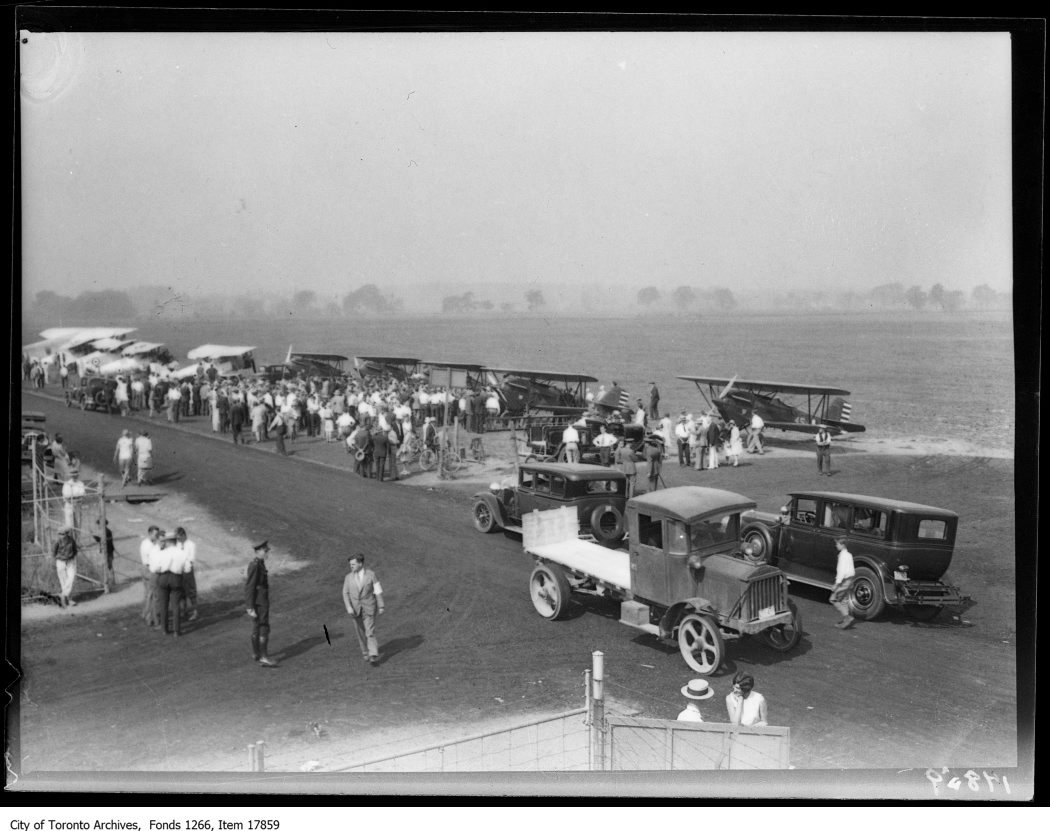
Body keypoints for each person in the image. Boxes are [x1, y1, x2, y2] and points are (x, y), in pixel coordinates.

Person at [342, 553, 386, 666]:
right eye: (350, 564)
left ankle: (373, 654)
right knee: (360, 632)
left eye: (353, 564)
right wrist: (348, 607)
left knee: (369, 631)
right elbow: (345, 593)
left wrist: (381, 605)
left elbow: (377, 590)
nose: (351, 566)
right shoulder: (348, 577)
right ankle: (365, 652)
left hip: (369, 607)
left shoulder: (371, 575)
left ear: (360, 564)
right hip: (355, 610)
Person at [245, 540, 278, 666]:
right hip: (260, 601)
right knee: (263, 626)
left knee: (256, 626)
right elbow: (250, 586)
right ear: (258, 551)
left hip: (258, 600)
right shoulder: (255, 565)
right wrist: (249, 606)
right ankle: (263, 657)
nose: (267, 552)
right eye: (265, 551)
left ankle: (256, 653)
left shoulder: (259, 563)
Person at [155, 530, 187, 637]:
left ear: (168, 541)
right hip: (176, 577)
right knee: (176, 604)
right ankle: (177, 631)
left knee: (163, 604)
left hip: (163, 577)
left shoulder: (161, 553)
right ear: (175, 541)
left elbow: (156, 568)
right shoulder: (182, 552)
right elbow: (187, 568)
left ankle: (164, 629)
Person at [830, 538, 856, 629]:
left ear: (842, 545)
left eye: (837, 544)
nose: (836, 545)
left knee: (833, 599)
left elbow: (841, 572)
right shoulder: (849, 555)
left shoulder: (842, 556)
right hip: (851, 579)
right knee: (844, 600)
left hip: (844, 581)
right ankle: (845, 622)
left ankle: (847, 617)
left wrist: (836, 584)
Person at [52, 526, 79, 608]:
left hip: (70, 561)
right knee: (63, 581)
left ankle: (63, 595)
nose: (62, 535)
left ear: (67, 534)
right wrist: (58, 559)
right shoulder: (57, 541)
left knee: (71, 577)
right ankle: (67, 600)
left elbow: (75, 550)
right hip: (60, 561)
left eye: (63, 534)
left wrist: (71, 556)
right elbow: (54, 552)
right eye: (60, 534)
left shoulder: (71, 540)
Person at [140, 525, 161, 626]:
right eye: (155, 535)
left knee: (147, 593)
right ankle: (149, 616)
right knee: (151, 594)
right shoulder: (149, 545)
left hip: (145, 568)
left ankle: (145, 613)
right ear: (150, 533)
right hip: (148, 568)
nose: (157, 537)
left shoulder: (146, 542)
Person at [176, 527, 198, 622]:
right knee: (181, 591)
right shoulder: (177, 544)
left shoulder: (191, 544)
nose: (178, 539)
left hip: (188, 570)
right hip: (179, 570)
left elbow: (191, 559)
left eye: (179, 537)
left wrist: (185, 564)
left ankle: (195, 612)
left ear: (184, 535)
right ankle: (183, 610)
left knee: (191, 591)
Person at [62, 466, 86, 531]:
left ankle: (77, 537)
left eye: (76, 475)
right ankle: (70, 536)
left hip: (78, 505)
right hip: (69, 505)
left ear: (78, 475)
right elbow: (67, 496)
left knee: (78, 524)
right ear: (70, 476)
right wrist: (76, 496)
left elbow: (82, 494)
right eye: (73, 475)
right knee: (69, 524)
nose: (74, 476)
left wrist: (75, 496)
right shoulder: (67, 484)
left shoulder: (80, 483)